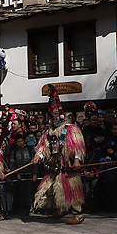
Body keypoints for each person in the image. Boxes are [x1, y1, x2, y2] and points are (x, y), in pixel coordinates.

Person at [31, 87, 86, 224]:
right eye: (52, 116)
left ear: (62, 115)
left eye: (56, 115)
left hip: (67, 164)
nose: (54, 118)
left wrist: (77, 160)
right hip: (53, 165)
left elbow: (77, 146)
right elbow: (43, 147)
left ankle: (78, 214)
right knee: (50, 189)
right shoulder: (48, 131)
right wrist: (39, 156)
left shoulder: (71, 129)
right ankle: (61, 209)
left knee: (71, 188)